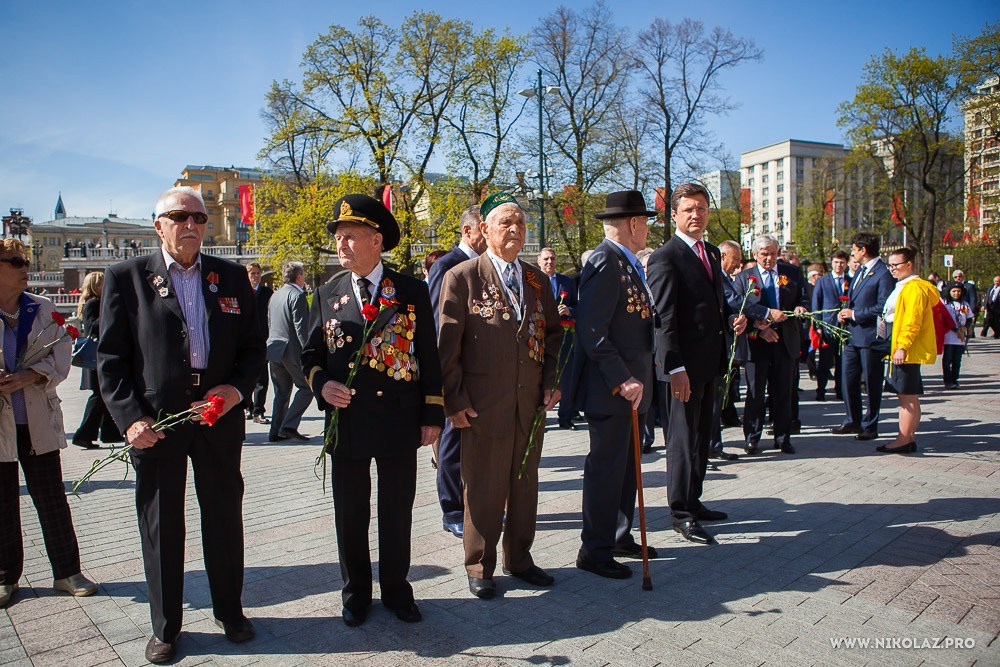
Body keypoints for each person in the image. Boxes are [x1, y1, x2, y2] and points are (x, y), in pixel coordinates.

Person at [99, 187, 265, 663]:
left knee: (223, 516)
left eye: (199, 216)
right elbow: (111, 361)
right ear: (158, 225)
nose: (190, 224)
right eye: (179, 216)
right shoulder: (126, 278)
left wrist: (235, 390)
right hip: (158, 421)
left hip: (218, 417)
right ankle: (166, 626)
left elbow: (254, 348)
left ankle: (230, 612)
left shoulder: (230, 276)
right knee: (161, 524)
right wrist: (131, 420)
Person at [302, 194, 443, 627]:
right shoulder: (327, 292)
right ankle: (356, 594)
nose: (340, 245)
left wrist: (432, 414)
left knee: (397, 510)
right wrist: (322, 385)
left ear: (376, 240)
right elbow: (308, 355)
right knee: (350, 512)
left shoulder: (410, 290)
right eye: (338, 238)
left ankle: (398, 592)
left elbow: (429, 357)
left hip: (400, 418)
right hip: (347, 423)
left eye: (349, 237)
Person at [438, 192, 562, 598]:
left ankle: (520, 559)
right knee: (484, 488)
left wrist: (551, 382)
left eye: (521, 224)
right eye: (505, 222)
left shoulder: (536, 280)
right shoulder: (463, 277)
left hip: (529, 406)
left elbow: (555, 336)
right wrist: (453, 400)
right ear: (484, 229)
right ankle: (479, 564)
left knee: (524, 485)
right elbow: (447, 346)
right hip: (482, 407)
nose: (514, 229)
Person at [1, 238, 98, 609]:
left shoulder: (41, 308)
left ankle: (67, 572)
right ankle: (6, 577)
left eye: (24, 260)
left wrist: (30, 375)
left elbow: (61, 354)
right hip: (1, 425)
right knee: (2, 501)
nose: (24, 267)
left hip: (36, 419)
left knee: (51, 498)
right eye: (14, 261)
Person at [647, 183, 746, 546]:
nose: (696, 215)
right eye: (688, 209)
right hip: (682, 369)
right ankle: (681, 513)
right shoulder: (665, 256)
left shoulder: (711, 253)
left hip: (711, 362)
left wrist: (735, 317)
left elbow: (716, 301)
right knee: (683, 441)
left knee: (703, 436)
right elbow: (664, 319)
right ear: (674, 214)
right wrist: (674, 368)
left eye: (701, 208)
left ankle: (695, 500)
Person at [571, 190, 657, 580]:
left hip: (632, 389)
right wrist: (622, 378)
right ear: (635, 224)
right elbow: (592, 330)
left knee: (625, 468)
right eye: (646, 222)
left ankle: (619, 535)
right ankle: (595, 549)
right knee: (607, 469)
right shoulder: (607, 262)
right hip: (613, 390)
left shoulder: (625, 261)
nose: (648, 230)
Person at [426, 205, 486, 539]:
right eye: (484, 227)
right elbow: (440, 324)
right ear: (468, 231)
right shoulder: (447, 265)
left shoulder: (485, 266)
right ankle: (452, 511)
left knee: (474, 444)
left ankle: (476, 506)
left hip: (483, 372)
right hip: (454, 371)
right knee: (451, 443)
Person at [733, 236, 809, 455]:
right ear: (756, 255)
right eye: (764, 254)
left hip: (785, 342)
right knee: (755, 393)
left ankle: (783, 438)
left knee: (784, 392)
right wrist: (760, 329)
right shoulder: (745, 278)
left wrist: (801, 309)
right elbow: (740, 308)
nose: (769, 258)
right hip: (757, 344)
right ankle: (752, 438)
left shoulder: (791, 274)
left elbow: (803, 299)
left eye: (773, 253)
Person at [832, 232, 895, 442]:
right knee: (847, 380)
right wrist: (845, 312)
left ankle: (870, 424)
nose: (852, 253)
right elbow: (854, 299)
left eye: (854, 249)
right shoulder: (860, 271)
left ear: (863, 250)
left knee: (871, 382)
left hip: (870, 338)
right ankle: (853, 419)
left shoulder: (882, 273)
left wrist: (856, 314)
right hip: (852, 336)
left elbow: (883, 306)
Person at [877, 247, 939, 454]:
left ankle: (903, 439)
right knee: (906, 395)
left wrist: (902, 347)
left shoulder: (913, 288)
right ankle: (907, 437)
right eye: (890, 265)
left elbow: (912, 321)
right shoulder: (903, 286)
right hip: (900, 346)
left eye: (896, 265)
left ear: (909, 264)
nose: (892, 269)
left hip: (905, 349)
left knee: (907, 396)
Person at [72, 271, 122, 448]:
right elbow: (93, 325)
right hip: (96, 356)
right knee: (99, 396)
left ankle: (110, 433)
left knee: (103, 395)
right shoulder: (93, 303)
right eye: (102, 283)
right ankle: (83, 434)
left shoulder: (95, 302)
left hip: (98, 355)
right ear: (95, 285)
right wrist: (110, 312)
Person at [265, 261, 312, 442]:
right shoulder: (297, 296)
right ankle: (289, 426)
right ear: (299, 277)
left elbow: (270, 323)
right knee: (307, 387)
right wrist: (308, 351)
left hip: (274, 350)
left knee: (281, 393)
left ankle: (275, 432)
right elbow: (301, 329)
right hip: (291, 350)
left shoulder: (275, 296)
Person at [710, 239, 746, 461]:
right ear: (723, 256)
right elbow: (736, 302)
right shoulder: (717, 279)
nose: (738, 266)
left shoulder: (724, 278)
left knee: (718, 398)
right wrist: (765, 313)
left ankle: (714, 443)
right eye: (736, 260)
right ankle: (712, 445)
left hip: (723, 348)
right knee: (714, 399)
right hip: (713, 349)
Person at [538, 247, 578, 430]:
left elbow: (579, 306)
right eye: (545, 259)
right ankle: (541, 415)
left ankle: (566, 417)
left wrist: (569, 311)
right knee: (540, 376)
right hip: (539, 336)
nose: (549, 262)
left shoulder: (567, 282)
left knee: (565, 374)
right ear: (539, 262)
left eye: (552, 259)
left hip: (563, 334)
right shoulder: (532, 280)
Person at [812, 250, 851, 401]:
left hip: (844, 327)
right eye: (836, 262)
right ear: (831, 263)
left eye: (841, 263)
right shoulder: (823, 281)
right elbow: (817, 303)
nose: (839, 265)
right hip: (827, 326)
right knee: (824, 361)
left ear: (846, 264)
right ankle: (820, 390)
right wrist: (818, 325)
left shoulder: (850, 281)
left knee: (842, 361)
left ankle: (840, 390)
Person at [244, 262, 273, 424]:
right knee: (247, 377)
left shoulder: (268, 293)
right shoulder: (242, 293)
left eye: (258, 273)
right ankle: (248, 407)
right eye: (252, 273)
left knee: (262, 379)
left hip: (263, 340)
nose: (255, 276)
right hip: (245, 341)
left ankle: (258, 411)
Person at [942, 283, 971, 389]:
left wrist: (965, 328)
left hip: (960, 339)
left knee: (957, 360)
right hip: (949, 337)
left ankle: (955, 379)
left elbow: (969, 318)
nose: (956, 293)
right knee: (947, 359)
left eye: (958, 291)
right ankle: (947, 380)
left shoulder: (964, 305)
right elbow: (944, 320)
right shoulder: (946, 304)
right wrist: (956, 330)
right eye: (954, 291)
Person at [952, 270, 979, 335]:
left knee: (966, 323)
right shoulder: (952, 286)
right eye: (955, 277)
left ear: (963, 277)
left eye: (959, 276)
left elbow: (973, 299)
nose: (958, 278)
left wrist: (972, 311)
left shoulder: (969, 286)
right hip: (956, 307)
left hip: (965, 307)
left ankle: (968, 334)